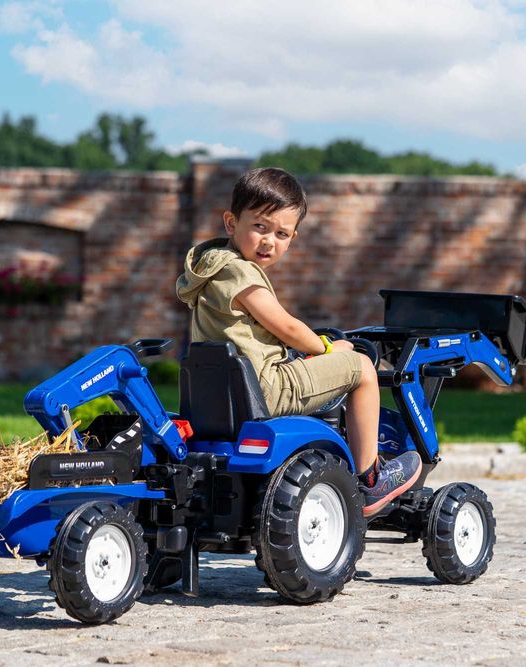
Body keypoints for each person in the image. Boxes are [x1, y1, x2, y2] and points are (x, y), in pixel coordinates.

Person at [176, 167, 421, 516]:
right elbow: (286, 327)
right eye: (260, 227)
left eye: (281, 233)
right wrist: (325, 347)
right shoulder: (240, 273)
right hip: (266, 388)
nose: (268, 241)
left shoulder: (211, 268)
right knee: (362, 368)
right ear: (231, 222)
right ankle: (370, 478)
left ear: (293, 237)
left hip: (219, 397)